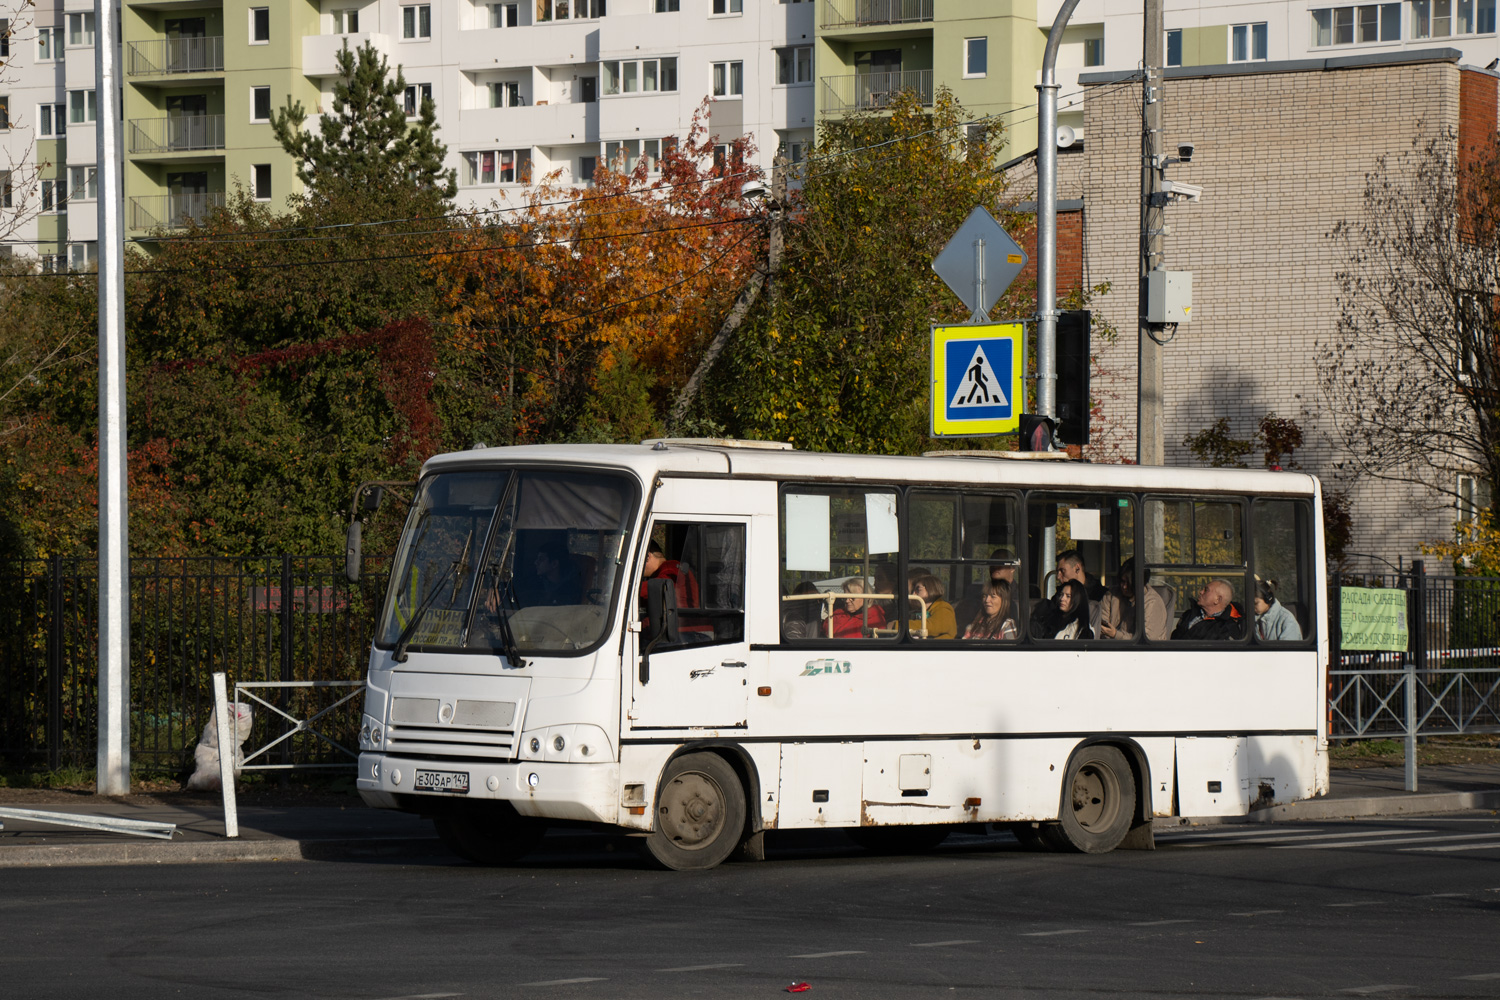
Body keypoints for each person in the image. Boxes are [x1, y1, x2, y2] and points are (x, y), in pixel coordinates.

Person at [1098, 557, 1169, 641]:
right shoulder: (1112, 594)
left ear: (1139, 583)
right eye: (1122, 581)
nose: (1124, 587)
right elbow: (1100, 623)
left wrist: (1115, 635)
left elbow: (1146, 641)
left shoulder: (1152, 603)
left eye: (1128, 583)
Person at [1171, 579, 1244, 640]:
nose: (1201, 592)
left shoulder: (1227, 628)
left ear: (1217, 600)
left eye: (1206, 590)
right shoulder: (1190, 613)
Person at [907, 574, 957, 639]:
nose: (913, 594)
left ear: (931, 588)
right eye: (913, 590)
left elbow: (933, 626)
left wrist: (898, 625)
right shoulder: (919, 610)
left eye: (918, 589)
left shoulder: (944, 607)